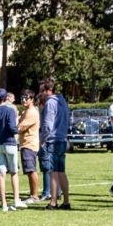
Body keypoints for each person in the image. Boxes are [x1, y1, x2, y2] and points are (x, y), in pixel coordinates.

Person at [0, 89, 26, 211]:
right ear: (6, 98)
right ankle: (16, 200)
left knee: (1, 174)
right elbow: (12, 128)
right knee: (14, 172)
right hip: (9, 143)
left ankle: (3, 204)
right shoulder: (10, 110)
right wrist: (19, 130)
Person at [39, 79, 71, 210]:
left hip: (52, 141)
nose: (40, 94)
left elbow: (47, 124)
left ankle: (53, 202)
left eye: (42, 91)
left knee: (52, 172)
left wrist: (42, 139)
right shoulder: (62, 101)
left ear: (47, 90)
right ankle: (66, 201)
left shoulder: (50, 103)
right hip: (62, 139)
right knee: (61, 171)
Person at [17, 90, 41, 202]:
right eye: (22, 98)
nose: (23, 100)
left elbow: (19, 128)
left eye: (26, 98)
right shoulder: (25, 111)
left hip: (29, 144)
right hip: (25, 144)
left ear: (32, 99)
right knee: (28, 170)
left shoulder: (31, 112)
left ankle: (35, 196)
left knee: (31, 170)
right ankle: (32, 194)